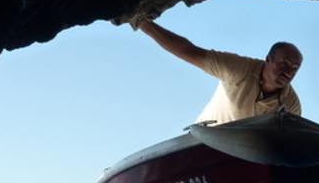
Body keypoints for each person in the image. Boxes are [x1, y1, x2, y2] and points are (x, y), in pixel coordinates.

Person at [124, 18, 302, 125]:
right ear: (268, 60)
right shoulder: (238, 69)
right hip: (204, 144)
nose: (289, 72)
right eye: (284, 63)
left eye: (295, 68)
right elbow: (189, 51)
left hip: (252, 157)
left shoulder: (290, 104)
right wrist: (140, 21)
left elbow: (290, 141)